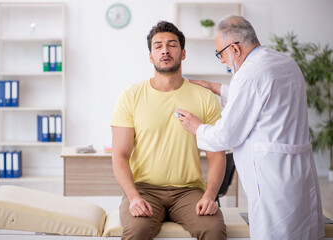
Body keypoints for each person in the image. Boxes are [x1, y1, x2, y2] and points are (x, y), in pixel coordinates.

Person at [176, 15, 324, 240]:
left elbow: (225, 136)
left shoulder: (247, 75)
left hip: (272, 179)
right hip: (298, 173)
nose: (222, 61)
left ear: (234, 48)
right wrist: (215, 87)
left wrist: (197, 127)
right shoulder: (283, 62)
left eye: (220, 54)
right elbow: (265, 99)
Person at [111, 21, 227, 240]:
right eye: (158, 46)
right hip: (144, 190)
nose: (165, 50)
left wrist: (210, 195)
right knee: (137, 231)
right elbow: (120, 155)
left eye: (172, 45)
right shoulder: (131, 96)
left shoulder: (204, 97)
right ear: (150, 55)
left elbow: (217, 156)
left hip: (189, 192)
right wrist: (133, 197)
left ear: (183, 54)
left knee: (214, 230)